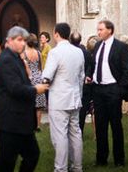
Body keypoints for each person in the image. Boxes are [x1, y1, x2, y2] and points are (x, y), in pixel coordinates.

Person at [0, 25, 49, 172]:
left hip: (19, 120)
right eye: (19, 40)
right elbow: (15, 88)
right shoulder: (6, 60)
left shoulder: (15, 57)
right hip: (10, 120)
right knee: (7, 161)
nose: (23, 43)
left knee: (31, 155)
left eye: (24, 40)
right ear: (9, 41)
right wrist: (36, 89)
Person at [43, 22, 85, 172]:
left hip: (59, 99)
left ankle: (60, 168)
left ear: (56, 34)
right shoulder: (78, 51)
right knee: (75, 133)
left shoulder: (55, 52)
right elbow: (81, 76)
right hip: (74, 98)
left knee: (60, 135)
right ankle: (77, 166)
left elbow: (47, 76)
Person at [92, 19, 128, 168]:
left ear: (110, 30)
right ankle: (101, 159)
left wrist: (120, 90)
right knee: (100, 126)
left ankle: (119, 160)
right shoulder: (97, 46)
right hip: (98, 90)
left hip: (113, 90)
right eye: (98, 30)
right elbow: (94, 66)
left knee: (116, 126)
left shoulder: (121, 47)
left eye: (101, 29)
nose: (98, 32)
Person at [23, 33, 45, 131]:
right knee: (39, 105)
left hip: (29, 77)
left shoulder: (24, 53)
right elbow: (40, 66)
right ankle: (38, 125)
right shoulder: (38, 52)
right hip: (38, 76)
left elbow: (23, 67)